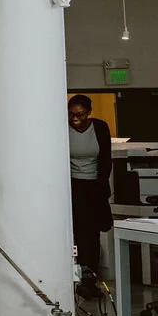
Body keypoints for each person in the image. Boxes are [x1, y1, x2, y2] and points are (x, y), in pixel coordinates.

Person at [68, 94, 113, 298]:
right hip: (72, 185)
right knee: (77, 232)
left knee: (92, 235)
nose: (75, 119)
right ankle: (76, 276)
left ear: (89, 113)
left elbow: (105, 159)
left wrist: (102, 188)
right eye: (72, 114)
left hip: (94, 186)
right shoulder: (63, 128)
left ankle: (90, 278)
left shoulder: (100, 128)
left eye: (80, 115)